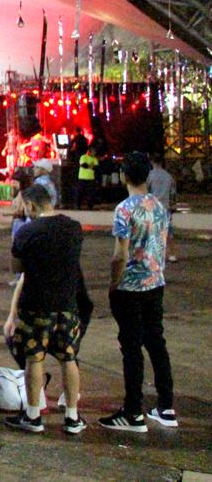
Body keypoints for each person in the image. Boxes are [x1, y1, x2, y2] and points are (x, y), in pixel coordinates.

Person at [99, 152, 176, 433]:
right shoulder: (158, 206)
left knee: (131, 348)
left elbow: (120, 254)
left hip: (130, 286)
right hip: (155, 283)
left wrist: (113, 283)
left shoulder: (124, 209)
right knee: (156, 341)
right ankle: (166, 406)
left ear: (124, 176)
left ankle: (133, 411)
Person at [1, 184, 87, 434]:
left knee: (34, 359)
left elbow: (16, 268)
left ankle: (33, 415)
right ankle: (72, 417)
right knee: (69, 359)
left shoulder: (27, 232)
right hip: (67, 306)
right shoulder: (74, 228)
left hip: (36, 306)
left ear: (31, 205)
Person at [145, 152, 177, 263]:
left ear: (152, 162)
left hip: (153, 206)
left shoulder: (150, 175)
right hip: (165, 206)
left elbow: (146, 190)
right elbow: (173, 193)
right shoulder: (168, 176)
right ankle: (172, 254)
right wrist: (173, 204)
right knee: (168, 231)